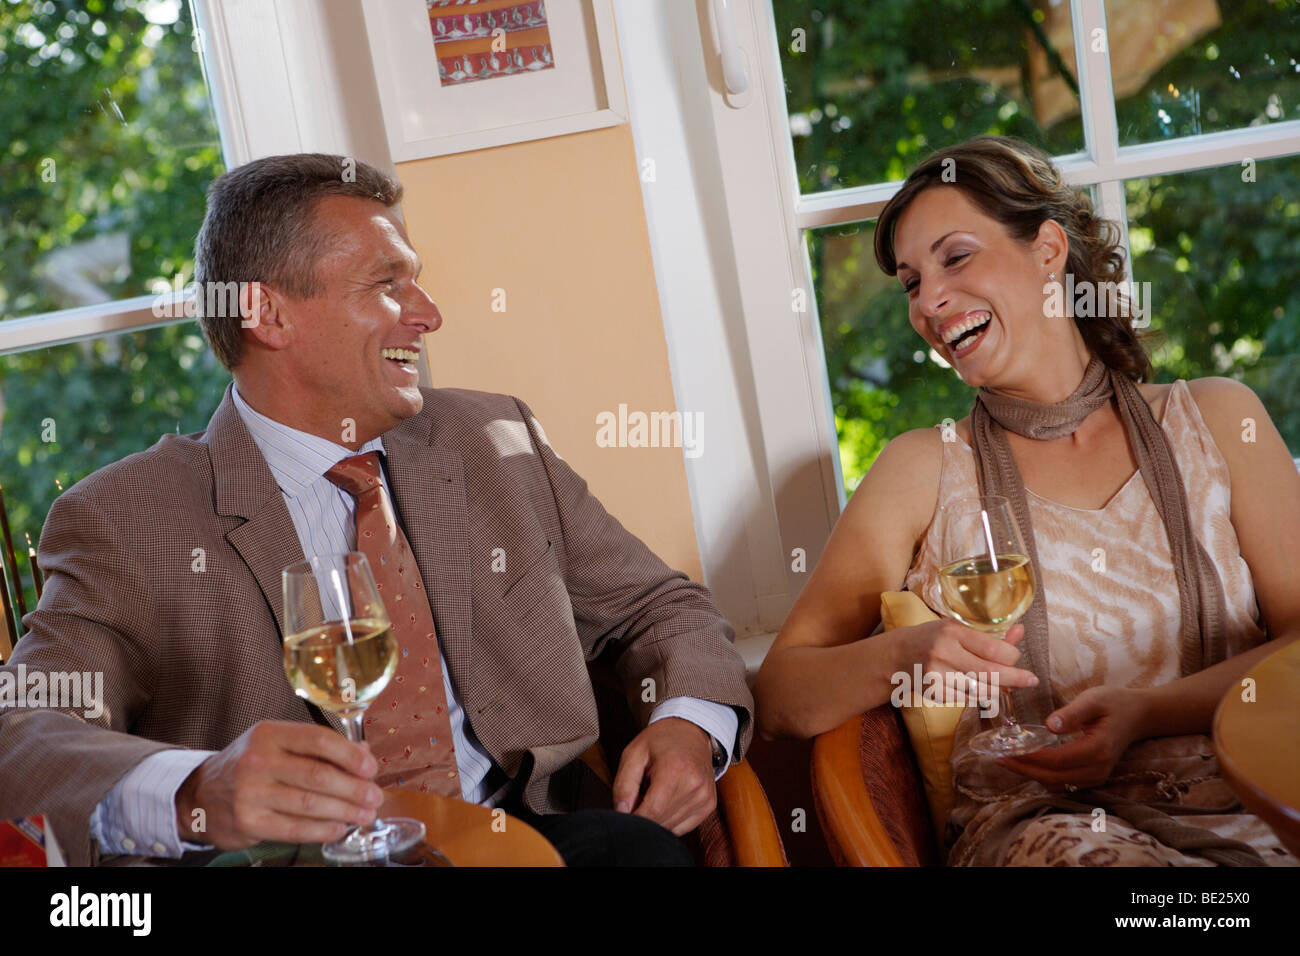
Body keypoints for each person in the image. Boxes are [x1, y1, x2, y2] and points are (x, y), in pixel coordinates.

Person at [0, 154, 753, 867]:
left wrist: (690, 724)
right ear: (268, 315)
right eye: (387, 284)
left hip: (521, 837)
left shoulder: (494, 439)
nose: (428, 314)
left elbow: (663, 608)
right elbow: (23, 730)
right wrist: (197, 792)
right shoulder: (128, 518)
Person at [755, 135, 1300, 866]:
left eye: (954, 257)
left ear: (1048, 250)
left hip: (1259, 797)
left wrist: (1144, 714)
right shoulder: (920, 470)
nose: (929, 301)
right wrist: (907, 655)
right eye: (911, 282)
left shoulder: (1218, 421)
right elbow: (784, 694)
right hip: (1051, 832)